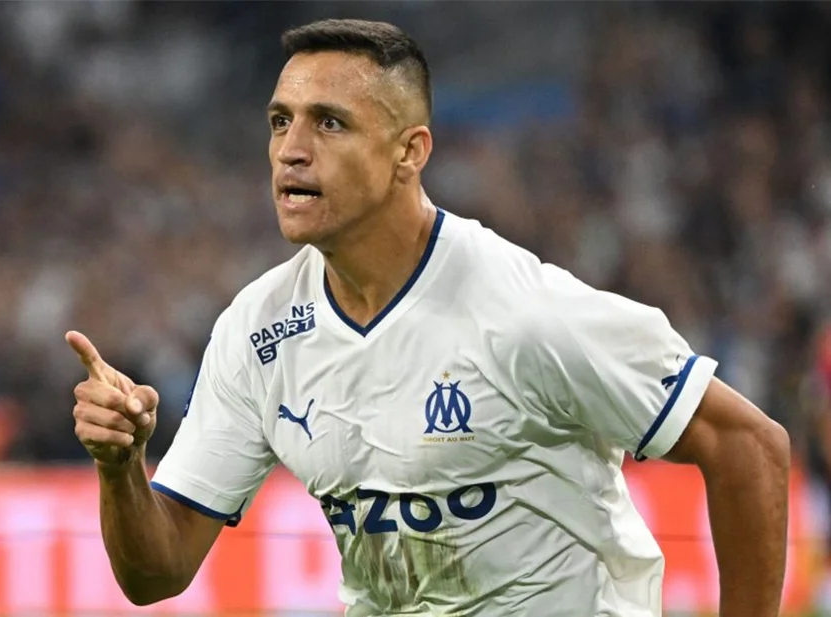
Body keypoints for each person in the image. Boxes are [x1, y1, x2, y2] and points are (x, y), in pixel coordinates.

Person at [66, 18, 790, 617]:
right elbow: (156, 574)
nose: (291, 150)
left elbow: (749, 446)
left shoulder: (526, 313)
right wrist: (120, 467)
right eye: (281, 121)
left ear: (409, 152)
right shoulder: (258, 331)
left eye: (329, 123)